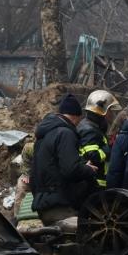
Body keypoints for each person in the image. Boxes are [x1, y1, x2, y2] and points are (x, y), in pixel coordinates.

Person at [30, 94, 99, 225]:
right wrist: (88, 169)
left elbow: (53, 166)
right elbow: (70, 170)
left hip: (44, 202)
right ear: (75, 117)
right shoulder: (65, 133)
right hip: (59, 207)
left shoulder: (45, 134)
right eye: (79, 120)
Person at [78, 90, 121, 188]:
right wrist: (110, 147)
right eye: (110, 110)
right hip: (94, 182)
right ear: (102, 111)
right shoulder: (89, 130)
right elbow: (93, 156)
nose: (112, 114)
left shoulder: (94, 127)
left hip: (96, 181)